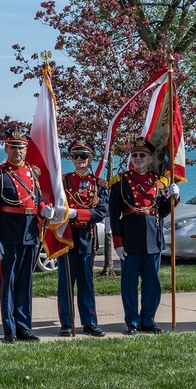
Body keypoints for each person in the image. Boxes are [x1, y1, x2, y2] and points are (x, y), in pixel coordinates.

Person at [0, 128, 54, 343]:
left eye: (21, 147)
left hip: (29, 234)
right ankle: (9, 330)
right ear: (6, 148)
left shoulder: (33, 173)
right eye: (13, 147)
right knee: (8, 284)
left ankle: (25, 327)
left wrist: (43, 209)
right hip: (8, 235)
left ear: (26, 149)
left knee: (26, 283)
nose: (17, 151)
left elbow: (37, 198)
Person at [109, 137, 178, 335]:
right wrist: (118, 243)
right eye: (135, 155)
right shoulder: (120, 181)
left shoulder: (158, 181)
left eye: (142, 155)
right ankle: (132, 322)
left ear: (150, 159)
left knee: (152, 284)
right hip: (130, 238)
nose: (138, 158)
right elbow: (114, 215)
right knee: (129, 284)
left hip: (153, 238)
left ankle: (149, 320)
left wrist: (174, 196)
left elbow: (163, 211)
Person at [57, 140, 108, 337]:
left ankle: (90, 322)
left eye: (84, 156)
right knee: (65, 283)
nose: (79, 160)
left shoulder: (98, 184)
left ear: (91, 158)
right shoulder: (63, 182)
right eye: (75, 156)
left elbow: (101, 211)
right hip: (67, 237)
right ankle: (66, 323)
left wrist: (76, 214)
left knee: (86, 282)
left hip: (87, 237)